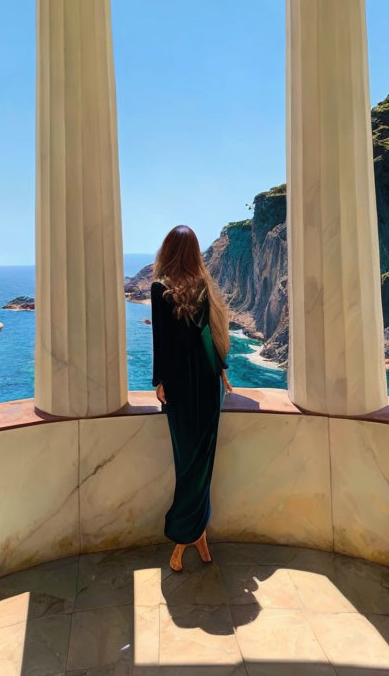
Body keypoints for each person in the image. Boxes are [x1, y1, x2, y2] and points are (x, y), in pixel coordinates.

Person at [150, 224, 232, 572]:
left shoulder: (159, 289)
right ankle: (196, 533)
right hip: (207, 380)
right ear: (194, 251)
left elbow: (162, 341)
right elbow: (213, 335)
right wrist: (223, 372)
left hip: (182, 384)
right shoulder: (204, 286)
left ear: (167, 250)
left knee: (188, 461)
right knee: (201, 460)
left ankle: (186, 534)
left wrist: (158, 381)